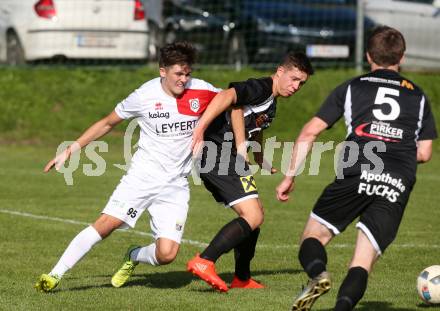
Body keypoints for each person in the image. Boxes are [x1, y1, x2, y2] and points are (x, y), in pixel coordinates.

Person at [34, 42, 220, 292]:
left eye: (187, 74)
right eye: (178, 73)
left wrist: (210, 128)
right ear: (162, 71)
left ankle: (133, 255)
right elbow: (107, 123)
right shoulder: (144, 96)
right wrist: (70, 150)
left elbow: (232, 98)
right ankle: (54, 275)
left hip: (176, 185)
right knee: (106, 225)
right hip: (142, 178)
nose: (184, 80)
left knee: (167, 255)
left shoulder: (201, 89)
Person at [276, 26, 437, 311]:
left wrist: (290, 176)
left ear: (368, 55)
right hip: (397, 179)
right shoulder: (419, 96)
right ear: (401, 56)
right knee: (362, 261)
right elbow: (424, 152)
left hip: (358, 169)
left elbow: (309, 133)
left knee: (313, 237)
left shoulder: (352, 87)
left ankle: (318, 274)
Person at [187, 52, 314, 292]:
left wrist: (258, 155)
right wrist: (204, 130)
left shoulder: (271, 101)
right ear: (280, 71)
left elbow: (253, 123)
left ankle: (242, 278)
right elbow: (231, 99)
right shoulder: (261, 87)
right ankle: (204, 260)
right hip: (217, 153)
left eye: (301, 83)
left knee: (255, 217)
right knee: (253, 216)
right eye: (294, 79)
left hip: (228, 155)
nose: (296, 86)